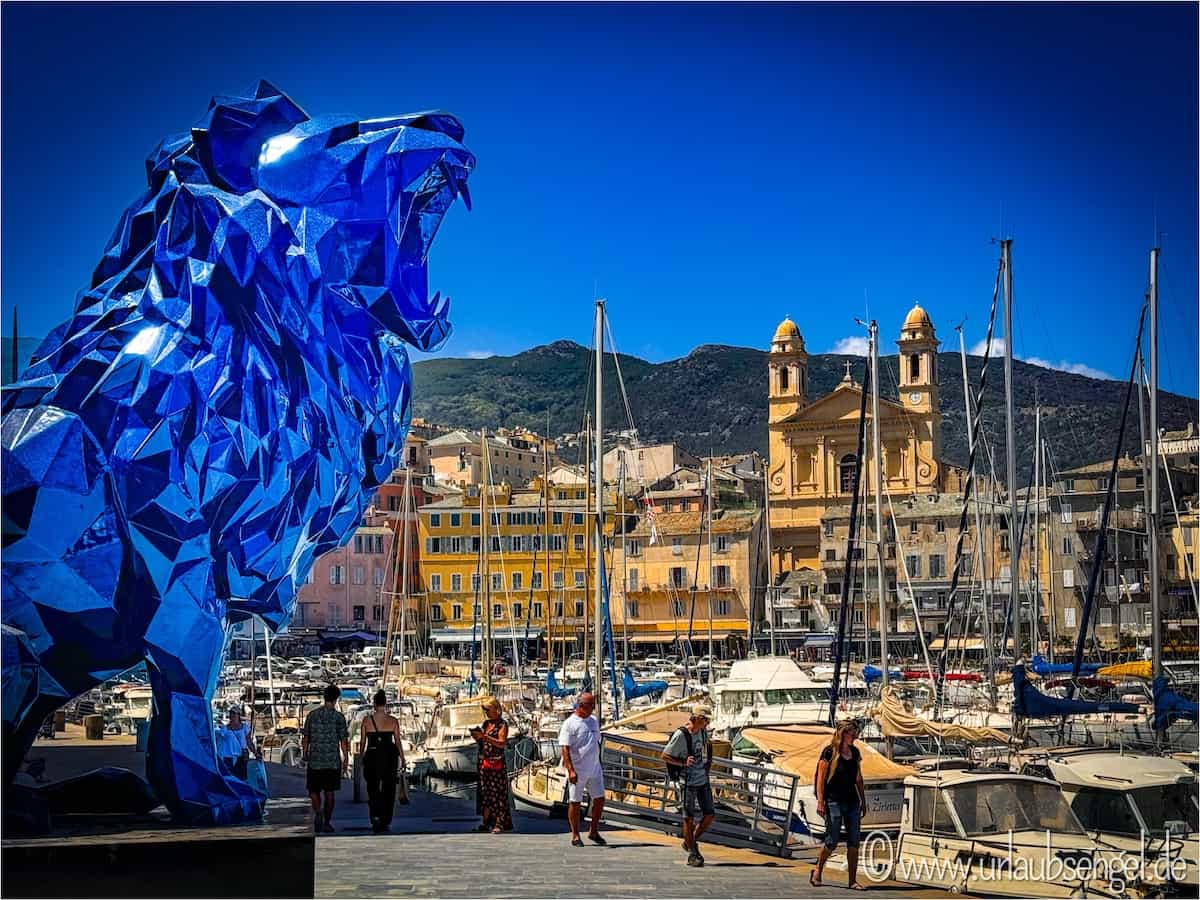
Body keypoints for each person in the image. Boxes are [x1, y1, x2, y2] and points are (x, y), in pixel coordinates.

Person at [811, 719, 867, 890]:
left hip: (851, 801)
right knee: (832, 840)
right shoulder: (829, 752)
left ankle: (852, 880)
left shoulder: (855, 753)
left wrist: (863, 800)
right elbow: (820, 779)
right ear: (844, 734)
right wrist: (820, 802)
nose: (855, 736)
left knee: (854, 842)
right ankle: (818, 870)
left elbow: (858, 778)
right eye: (852, 733)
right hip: (833, 800)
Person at [662, 704, 715, 867]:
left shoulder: (702, 732)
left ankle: (690, 841)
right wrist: (683, 763)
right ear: (698, 718)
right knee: (688, 818)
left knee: (709, 815)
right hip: (688, 782)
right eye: (705, 719)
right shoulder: (681, 734)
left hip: (702, 779)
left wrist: (709, 762)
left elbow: (709, 744)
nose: (707, 723)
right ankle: (693, 853)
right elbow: (664, 755)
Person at [558, 691, 606, 847]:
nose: (593, 708)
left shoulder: (593, 720)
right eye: (590, 705)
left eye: (594, 705)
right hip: (578, 769)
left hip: (594, 768)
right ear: (581, 706)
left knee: (599, 799)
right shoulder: (569, 724)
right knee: (575, 801)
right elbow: (565, 748)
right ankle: (575, 834)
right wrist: (570, 769)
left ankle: (593, 830)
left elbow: (596, 741)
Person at [302, 684, 349, 834]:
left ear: (324, 697)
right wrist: (346, 757)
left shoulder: (312, 715)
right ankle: (327, 822)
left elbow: (306, 737)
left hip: (315, 759)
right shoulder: (339, 718)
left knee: (313, 790)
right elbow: (343, 740)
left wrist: (304, 753)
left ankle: (318, 811)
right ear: (336, 699)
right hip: (332, 761)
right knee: (330, 793)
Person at [358, 689, 406, 834]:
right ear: (385, 704)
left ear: (374, 704)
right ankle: (386, 819)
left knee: (372, 789)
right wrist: (403, 759)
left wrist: (361, 757)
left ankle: (375, 817)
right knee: (389, 789)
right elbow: (397, 741)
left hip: (372, 754)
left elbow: (362, 742)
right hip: (389, 756)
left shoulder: (367, 720)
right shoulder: (393, 721)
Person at [470, 696, 513, 834]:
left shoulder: (502, 724)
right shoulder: (486, 724)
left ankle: (500, 822)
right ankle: (485, 822)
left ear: (496, 709)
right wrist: (478, 737)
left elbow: (501, 743)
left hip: (496, 762)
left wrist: (485, 737)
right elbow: (482, 741)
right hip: (484, 761)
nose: (487, 713)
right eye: (485, 710)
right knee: (485, 793)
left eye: (488, 710)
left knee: (498, 793)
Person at [216, 707, 258, 780]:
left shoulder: (245, 727)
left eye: (234, 714)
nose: (233, 716)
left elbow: (249, 742)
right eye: (231, 714)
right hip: (228, 757)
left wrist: (256, 753)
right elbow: (218, 740)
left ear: (238, 715)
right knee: (229, 779)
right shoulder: (225, 729)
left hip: (241, 757)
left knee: (242, 779)